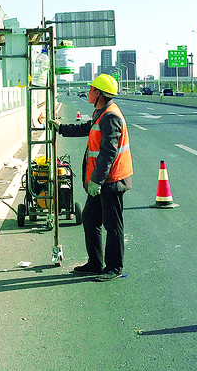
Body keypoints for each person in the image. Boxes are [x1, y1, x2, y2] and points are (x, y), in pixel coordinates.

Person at [51, 74, 133, 282]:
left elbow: (108, 153)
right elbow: (87, 128)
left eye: (91, 89)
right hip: (101, 181)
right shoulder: (101, 112)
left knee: (113, 225)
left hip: (111, 181)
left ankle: (114, 267)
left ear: (98, 93)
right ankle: (95, 263)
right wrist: (61, 128)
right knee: (89, 218)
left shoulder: (111, 116)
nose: (88, 92)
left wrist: (97, 180)